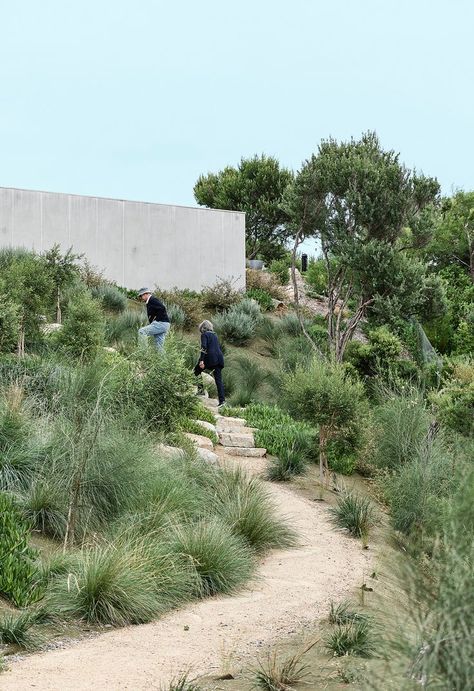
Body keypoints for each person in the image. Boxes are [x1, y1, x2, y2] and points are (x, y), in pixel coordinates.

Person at [194, 320, 225, 407]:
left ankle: (201, 391)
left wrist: (201, 360)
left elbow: (204, 347)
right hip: (219, 359)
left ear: (202, 328)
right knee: (219, 380)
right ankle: (222, 401)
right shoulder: (214, 335)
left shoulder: (204, 335)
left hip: (210, 359)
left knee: (196, 371)